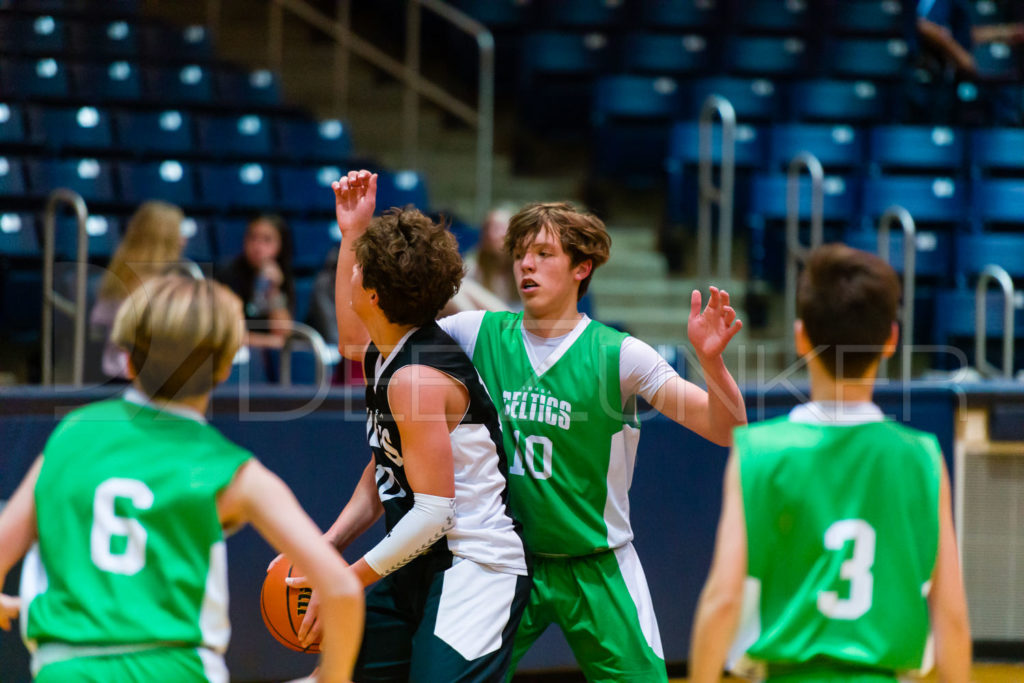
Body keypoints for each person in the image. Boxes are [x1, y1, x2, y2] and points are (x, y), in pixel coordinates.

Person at [336, 177, 746, 679]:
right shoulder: (478, 331)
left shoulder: (619, 354)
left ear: (581, 268)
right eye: (521, 253)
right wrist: (352, 234)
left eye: (544, 254)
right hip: (513, 559)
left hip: (596, 562)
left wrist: (711, 362)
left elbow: (726, 429)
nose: (526, 264)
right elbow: (372, 333)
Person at [0, 275, 364, 683]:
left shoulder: (70, 435)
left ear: (129, 356)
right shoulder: (232, 469)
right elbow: (342, 590)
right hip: (175, 667)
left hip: (64, 667)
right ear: (226, 367)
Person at [690, 244, 971, 683]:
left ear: (801, 336)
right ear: (891, 339)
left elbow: (722, 599)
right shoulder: (923, 457)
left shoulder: (758, 451)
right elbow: (951, 614)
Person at [293, 170, 530, 682]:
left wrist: (346, 580)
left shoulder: (416, 380)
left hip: (474, 566)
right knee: (332, 674)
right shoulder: (385, 346)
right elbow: (388, 459)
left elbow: (432, 514)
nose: (351, 272)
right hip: (419, 562)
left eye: (358, 267)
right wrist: (331, 541)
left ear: (374, 294)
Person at [89, 200, 187, 381]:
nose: (183, 240)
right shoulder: (157, 284)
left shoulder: (118, 274)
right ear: (165, 239)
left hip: (117, 373)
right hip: (139, 380)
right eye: (179, 233)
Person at [216, 214, 297, 346]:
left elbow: (284, 333)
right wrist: (268, 342)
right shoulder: (227, 274)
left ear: (281, 245)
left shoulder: (282, 277)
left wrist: (273, 290)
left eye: (267, 240)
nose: (258, 247)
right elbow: (227, 335)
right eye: (252, 238)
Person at [445, 206, 520, 314]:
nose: (491, 234)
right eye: (488, 228)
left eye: (499, 228)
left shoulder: (525, 267)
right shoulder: (473, 267)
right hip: (493, 324)